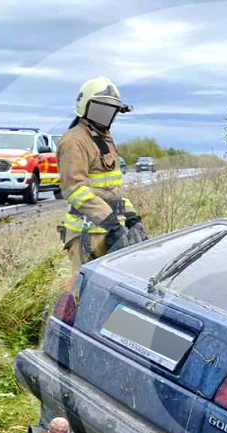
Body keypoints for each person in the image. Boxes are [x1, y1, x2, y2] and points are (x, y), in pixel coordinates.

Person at [57, 76, 147, 292]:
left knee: (112, 289)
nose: (106, 115)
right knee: (86, 291)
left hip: (109, 228)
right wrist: (110, 222)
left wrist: (132, 217)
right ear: (85, 107)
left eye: (111, 110)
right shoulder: (75, 141)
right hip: (86, 235)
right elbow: (74, 189)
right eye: (101, 109)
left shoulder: (103, 138)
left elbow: (113, 189)